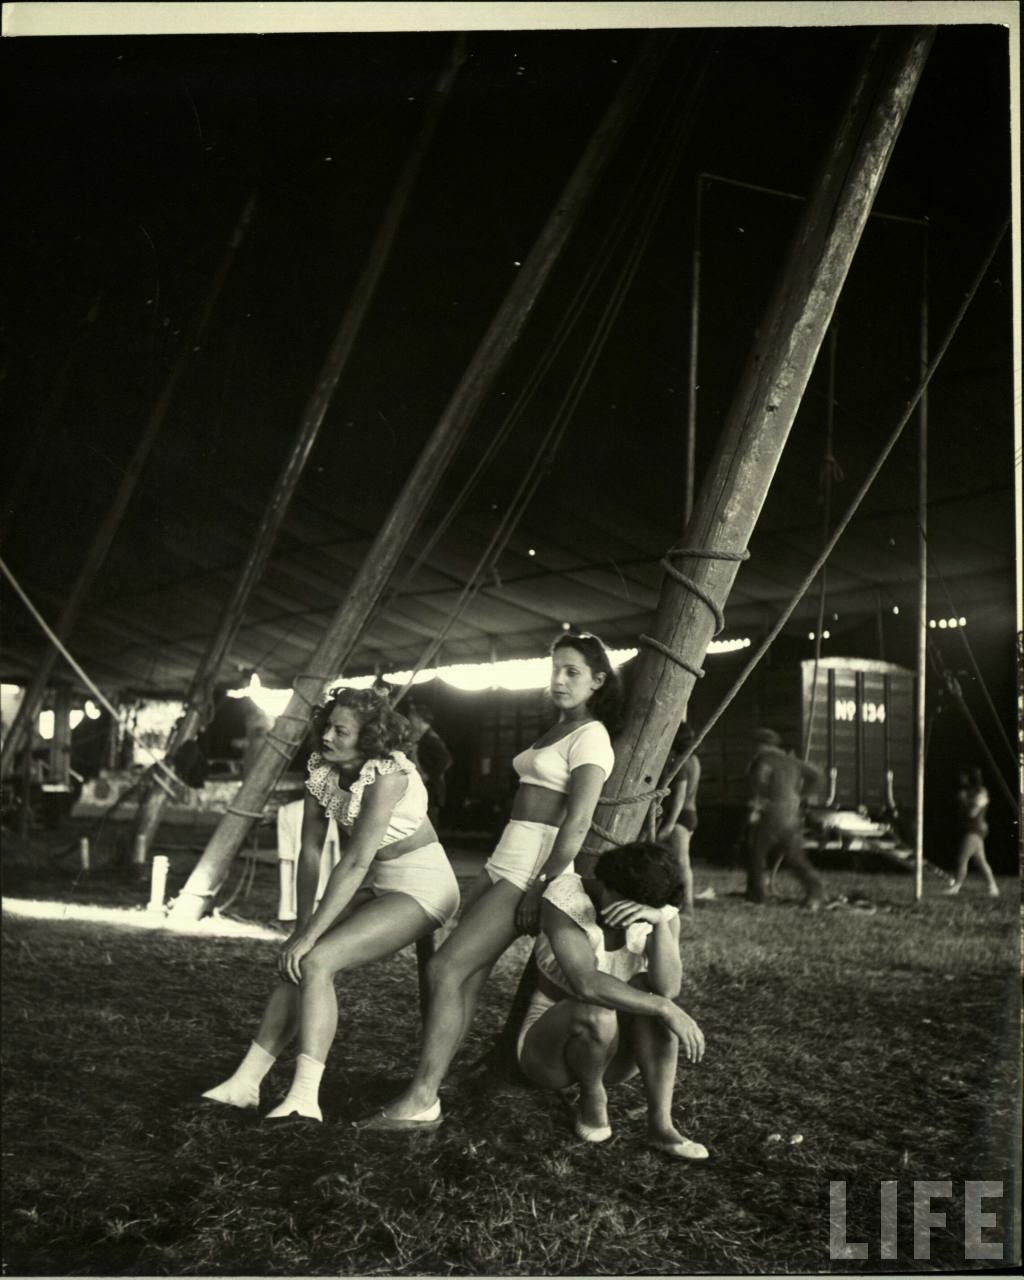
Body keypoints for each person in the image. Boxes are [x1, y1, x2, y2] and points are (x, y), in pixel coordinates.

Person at [363, 631, 621, 1130]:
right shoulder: (556, 729)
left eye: (572, 671)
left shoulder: (592, 735)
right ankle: (432, 1085)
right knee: (467, 977)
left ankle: (421, 1097)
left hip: (532, 868)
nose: (559, 679)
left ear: (598, 680)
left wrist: (539, 885)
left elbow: (578, 823)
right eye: (555, 668)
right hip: (505, 857)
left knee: (444, 969)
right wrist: (490, 869)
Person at [200, 686, 460, 1121]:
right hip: (378, 881)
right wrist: (302, 930)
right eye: (328, 727)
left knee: (319, 961)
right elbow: (311, 851)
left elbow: (356, 860)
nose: (327, 738)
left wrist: (312, 939)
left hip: (423, 886)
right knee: (299, 960)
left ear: (369, 737)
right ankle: (246, 1082)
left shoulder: (388, 774)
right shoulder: (322, 770)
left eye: (342, 731)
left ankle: (305, 1098)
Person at [517, 840, 707, 1158]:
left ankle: (661, 1126)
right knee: (600, 1007)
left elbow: (668, 987)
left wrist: (659, 921)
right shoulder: (565, 897)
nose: (630, 915)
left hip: (614, 1055)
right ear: (606, 885)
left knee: (650, 989)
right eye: (624, 903)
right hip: (551, 1053)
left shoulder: (658, 909)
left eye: (640, 908)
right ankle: (592, 1096)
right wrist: (664, 1007)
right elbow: (585, 983)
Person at [746, 728, 825, 910]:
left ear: (762, 745)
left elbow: (760, 783)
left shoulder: (763, 761)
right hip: (791, 813)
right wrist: (801, 795)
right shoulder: (792, 761)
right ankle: (816, 892)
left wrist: (761, 800)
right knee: (795, 857)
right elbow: (818, 776)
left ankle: (757, 896)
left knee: (756, 854)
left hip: (771, 814)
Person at [655, 721, 701, 914]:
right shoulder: (694, 759)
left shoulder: (679, 762)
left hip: (680, 816)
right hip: (689, 813)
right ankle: (679, 901)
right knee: (679, 860)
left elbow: (680, 795)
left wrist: (670, 824)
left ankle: (688, 905)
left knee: (682, 861)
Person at [944, 768, 999, 897]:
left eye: (964, 777)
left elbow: (972, 812)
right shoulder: (971, 791)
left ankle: (956, 886)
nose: (962, 780)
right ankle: (993, 887)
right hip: (973, 828)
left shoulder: (981, 792)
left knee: (962, 858)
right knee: (980, 861)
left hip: (975, 829)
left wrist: (963, 801)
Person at [405, 701, 453, 827]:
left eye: (411, 717)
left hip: (431, 789)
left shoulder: (431, 738)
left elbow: (446, 760)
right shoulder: (422, 736)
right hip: (426, 788)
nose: (409, 721)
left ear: (418, 718)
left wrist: (429, 775)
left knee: (429, 822)